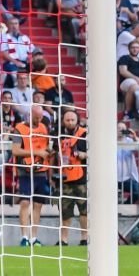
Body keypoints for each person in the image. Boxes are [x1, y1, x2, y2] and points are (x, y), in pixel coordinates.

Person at [12, 104, 54, 247]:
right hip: (25, 171)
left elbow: (46, 147)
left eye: (40, 117)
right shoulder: (19, 129)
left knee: (38, 204)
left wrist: (48, 152)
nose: (39, 120)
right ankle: (24, 236)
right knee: (25, 203)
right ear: (29, 115)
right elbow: (15, 151)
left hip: (41, 171)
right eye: (36, 117)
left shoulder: (44, 128)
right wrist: (36, 153)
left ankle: (33, 237)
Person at [57, 109, 88, 246]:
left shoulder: (85, 134)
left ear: (77, 121)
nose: (70, 122)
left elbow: (92, 153)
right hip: (64, 177)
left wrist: (82, 155)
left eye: (72, 120)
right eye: (67, 120)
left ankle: (84, 238)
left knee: (84, 210)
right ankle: (63, 239)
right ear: (63, 121)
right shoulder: (58, 135)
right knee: (65, 211)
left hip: (81, 178)